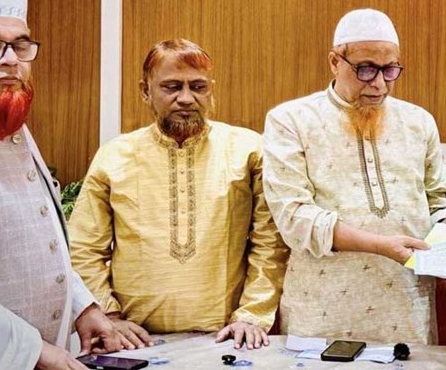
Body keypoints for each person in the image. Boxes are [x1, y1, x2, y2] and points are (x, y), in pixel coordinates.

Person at [69, 38, 289, 350]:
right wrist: (109, 316)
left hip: (230, 337)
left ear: (210, 89)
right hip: (134, 341)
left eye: (198, 87)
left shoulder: (247, 150)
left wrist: (251, 316)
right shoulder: (114, 156)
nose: (186, 98)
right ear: (145, 91)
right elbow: (84, 248)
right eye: (171, 87)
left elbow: (270, 243)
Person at [0, 0, 124, 369]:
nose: (9, 60)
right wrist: (32, 353)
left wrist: (83, 307)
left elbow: (36, 235)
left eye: (20, 45)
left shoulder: (4, 115)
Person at [262, 8, 446, 344]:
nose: (379, 84)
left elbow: (437, 201)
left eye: (390, 69)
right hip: (321, 312)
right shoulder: (290, 121)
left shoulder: (419, 122)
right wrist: (380, 245)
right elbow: (294, 218)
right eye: (365, 69)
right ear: (335, 62)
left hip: (406, 309)